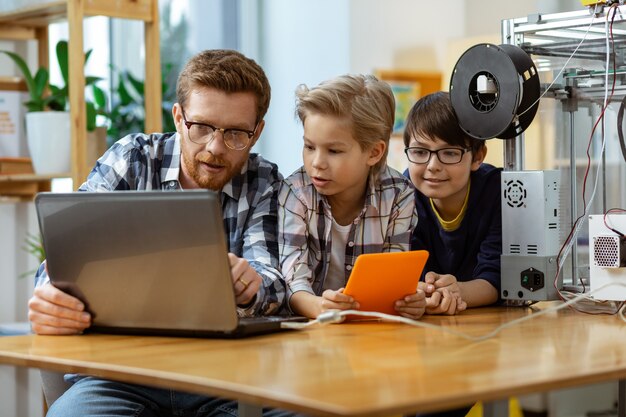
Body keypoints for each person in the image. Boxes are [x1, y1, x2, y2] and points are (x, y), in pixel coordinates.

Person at [28, 49, 285, 417]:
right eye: (202, 127)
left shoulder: (265, 182)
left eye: (235, 134)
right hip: (119, 373)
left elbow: (276, 279)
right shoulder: (131, 159)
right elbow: (65, 259)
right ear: (179, 118)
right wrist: (51, 298)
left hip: (227, 375)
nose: (215, 148)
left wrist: (253, 284)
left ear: (256, 132)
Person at [278, 74, 425, 320]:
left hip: (372, 330)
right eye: (309, 147)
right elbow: (293, 282)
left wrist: (409, 301)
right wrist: (317, 307)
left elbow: (394, 279)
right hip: (312, 330)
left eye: (334, 151)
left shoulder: (399, 194)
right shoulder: (295, 193)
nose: (317, 163)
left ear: (374, 152)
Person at [403, 91, 502, 317]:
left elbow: (495, 279)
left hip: (487, 323)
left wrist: (456, 292)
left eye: (449, 153)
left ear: (477, 157)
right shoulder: (402, 195)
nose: (432, 166)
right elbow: (409, 276)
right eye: (419, 152)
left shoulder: (498, 192)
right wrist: (428, 292)